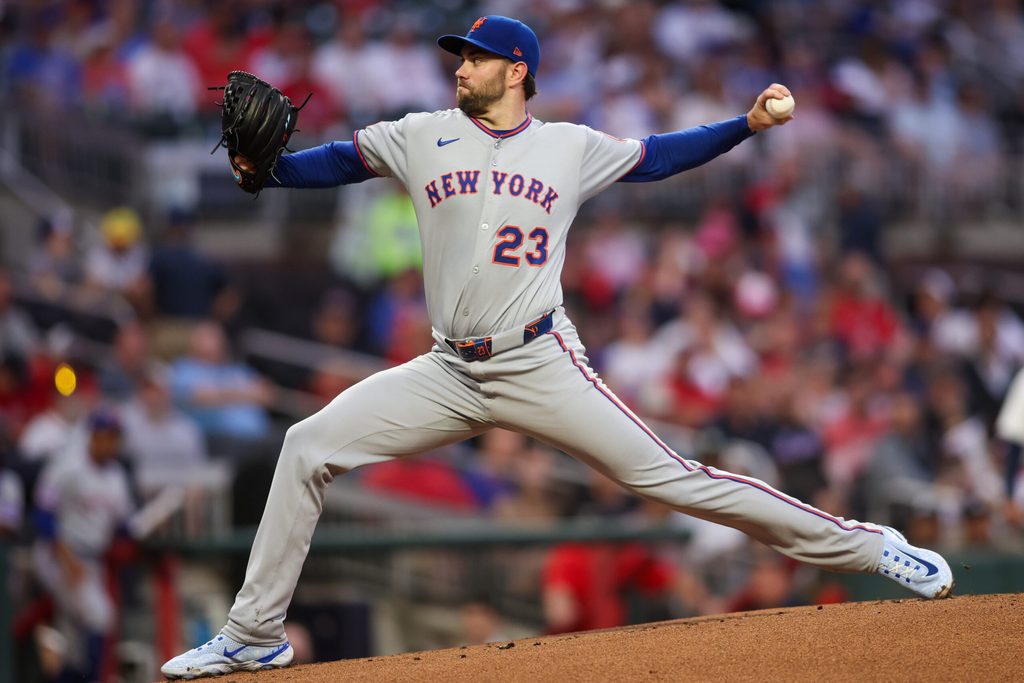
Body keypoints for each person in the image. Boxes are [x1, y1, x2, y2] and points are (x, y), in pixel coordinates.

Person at [162, 16, 954, 678]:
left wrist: (744, 126)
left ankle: (867, 545)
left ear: (515, 70)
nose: (459, 67)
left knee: (678, 480)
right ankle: (255, 633)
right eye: (457, 56)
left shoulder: (569, 147)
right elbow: (337, 161)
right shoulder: (420, 134)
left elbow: (658, 156)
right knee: (306, 444)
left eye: (471, 57)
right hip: (447, 367)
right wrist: (266, 175)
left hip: (540, 358)